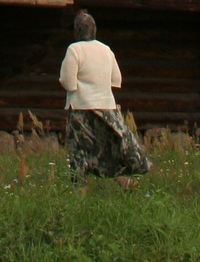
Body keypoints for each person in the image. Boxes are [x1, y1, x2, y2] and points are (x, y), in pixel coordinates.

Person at [58, 10, 149, 183]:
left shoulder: (74, 50)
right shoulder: (106, 50)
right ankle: (126, 182)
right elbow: (116, 80)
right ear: (94, 30)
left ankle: (80, 195)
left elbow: (68, 82)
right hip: (107, 110)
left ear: (77, 31)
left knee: (80, 155)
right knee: (109, 150)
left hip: (81, 112)